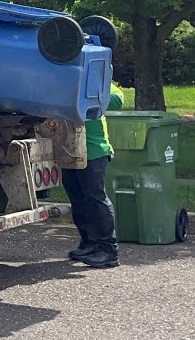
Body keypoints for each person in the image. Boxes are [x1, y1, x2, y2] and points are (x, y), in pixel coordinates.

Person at [64, 82, 124, 269]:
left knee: (95, 197)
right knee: (77, 197)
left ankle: (108, 250)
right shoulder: (63, 78)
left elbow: (117, 99)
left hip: (94, 149)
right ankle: (89, 242)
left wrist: (82, 96)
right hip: (68, 147)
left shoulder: (96, 77)